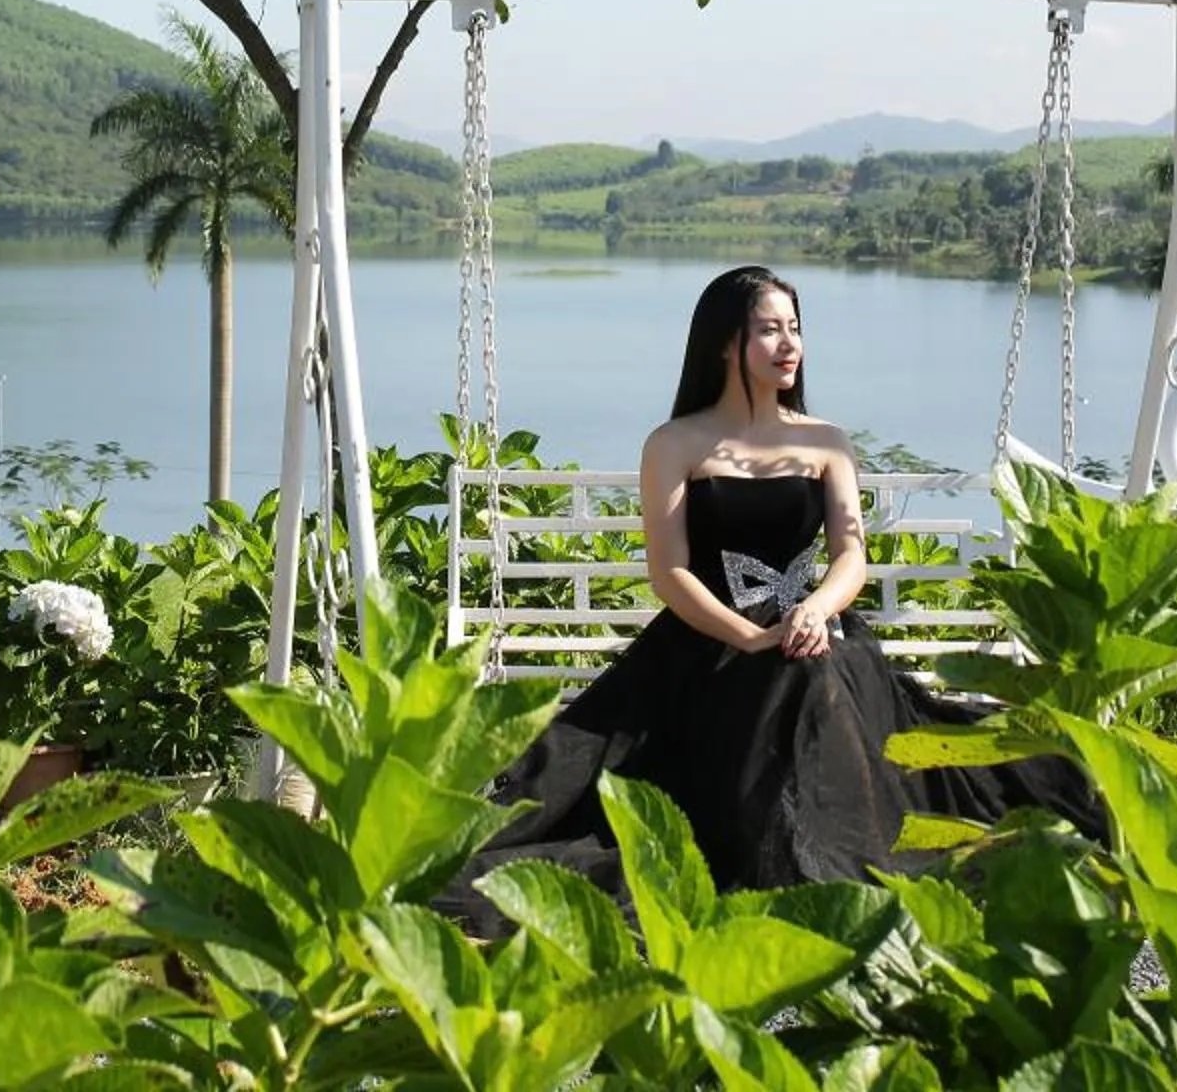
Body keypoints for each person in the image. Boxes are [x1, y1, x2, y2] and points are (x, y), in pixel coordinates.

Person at [443, 264, 1101, 928]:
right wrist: (751, 636)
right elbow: (670, 572)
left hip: (812, 625)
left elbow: (851, 556)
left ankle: (836, 862)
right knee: (792, 675)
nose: (789, 345)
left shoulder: (824, 441)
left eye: (794, 328)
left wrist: (815, 608)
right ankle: (805, 866)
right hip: (709, 643)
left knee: (815, 671)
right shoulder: (675, 444)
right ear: (724, 344)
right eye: (769, 330)